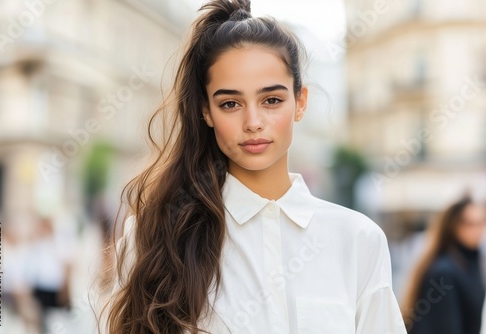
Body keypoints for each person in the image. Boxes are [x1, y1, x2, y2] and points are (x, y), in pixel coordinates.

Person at [101, 0, 406, 333]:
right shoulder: (154, 238)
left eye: (271, 100)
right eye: (230, 103)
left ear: (300, 102)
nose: (253, 122)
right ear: (206, 112)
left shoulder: (357, 240)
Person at [401, 197, 486, 333]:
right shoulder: (444, 272)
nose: (477, 230)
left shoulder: (470, 265)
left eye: (481, 223)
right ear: (453, 226)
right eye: (469, 224)